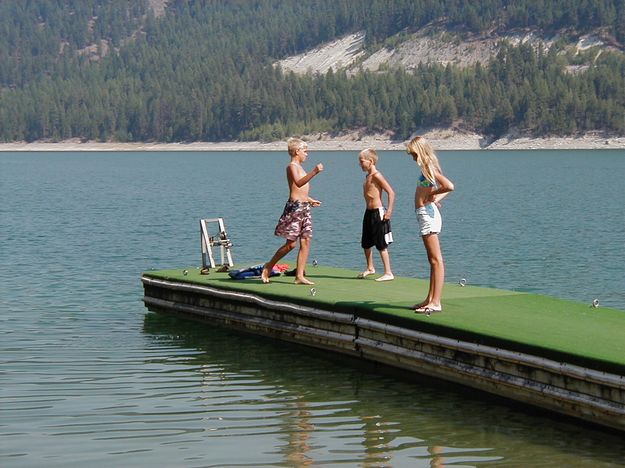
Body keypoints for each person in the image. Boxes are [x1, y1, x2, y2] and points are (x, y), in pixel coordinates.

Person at [261, 138, 323, 285]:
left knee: (306, 241)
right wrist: (315, 171)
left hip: (304, 207)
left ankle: (299, 275)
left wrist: (310, 200)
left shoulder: (301, 167)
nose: (307, 154)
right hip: (295, 208)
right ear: (297, 151)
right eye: (305, 151)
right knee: (291, 244)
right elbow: (298, 183)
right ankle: (268, 266)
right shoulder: (292, 166)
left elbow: (301, 191)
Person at [406, 136, 454, 313]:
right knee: (432, 260)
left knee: (436, 260)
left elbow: (449, 186)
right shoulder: (428, 167)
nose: (412, 157)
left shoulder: (429, 168)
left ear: (419, 151)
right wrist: (433, 199)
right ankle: (430, 298)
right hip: (426, 213)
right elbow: (439, 191)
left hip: (427, 215)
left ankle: (436, 302)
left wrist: (431, 196)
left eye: (413, 154)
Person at [357, 148, 395, 281]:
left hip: (378, 212)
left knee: (380, 243)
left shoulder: (377, 175)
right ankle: (370, 267)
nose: (360, 164)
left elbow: (391, 192)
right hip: (368, 212)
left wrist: (389, 211)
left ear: (371, 161)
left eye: (362, 161)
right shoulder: (368, 176)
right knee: (366, 243)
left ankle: (388, 272)